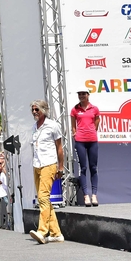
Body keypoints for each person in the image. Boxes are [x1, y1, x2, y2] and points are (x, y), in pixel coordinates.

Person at [29, 99, 65, 244]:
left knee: (43, 197)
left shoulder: (53, 125)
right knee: (43, 199)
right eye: (32, 109)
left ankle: (42, 231)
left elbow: (59, 148)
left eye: (37, 109)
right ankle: (56, 233)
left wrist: (60, 167)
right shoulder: (34, 127)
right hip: (37, 164)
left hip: (49, 164)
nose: (34, 112)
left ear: (44, 110)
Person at [70, 89, 101, 207]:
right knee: (83, 168)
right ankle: (85, 195)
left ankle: (94, 195)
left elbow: (97, 121)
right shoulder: (75, 109)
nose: (81, 96)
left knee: (93, 168)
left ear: (88, 95)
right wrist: (75, 134)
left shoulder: (94, 108)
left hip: (92, 140)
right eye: (79, 94)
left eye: (83, 94)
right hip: (80, 141)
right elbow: (73, 125)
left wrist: (92, 131)